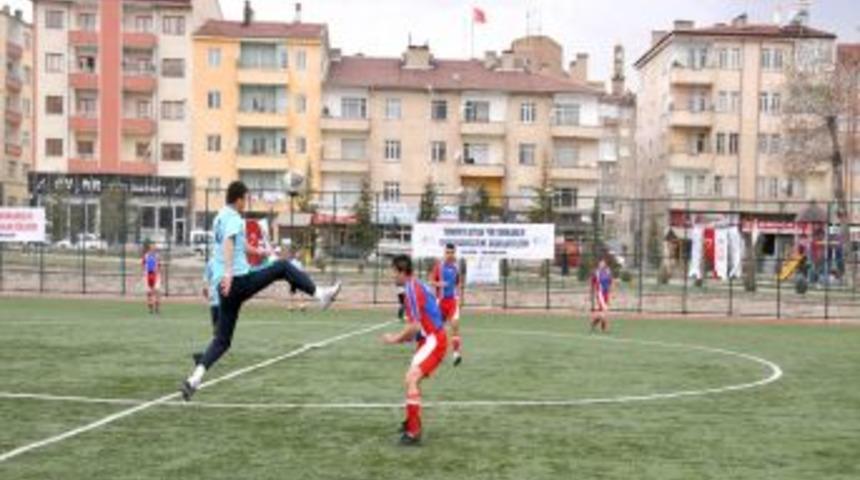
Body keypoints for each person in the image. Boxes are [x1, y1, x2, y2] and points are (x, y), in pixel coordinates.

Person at [180, 181, 342, 401]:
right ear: (238, 199)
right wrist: (229, 272)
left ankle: (194, 380)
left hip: (224, 287)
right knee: (283, 267)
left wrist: (260, 250)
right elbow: (228, 243)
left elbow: (239, 244)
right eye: (245, 199)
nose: (246, 203)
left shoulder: (220, 217)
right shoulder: (235, 218)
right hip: (236, 281)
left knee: (222, 341)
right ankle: (320, 295)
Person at [382, 255, 448, 446]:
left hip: (433, 340)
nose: (391, 275)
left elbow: (415, 327)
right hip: (429, 339)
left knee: (411, 378)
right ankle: (412, 421)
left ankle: (413, 432)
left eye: (393, 271)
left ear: (401, 271)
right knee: (412, 378)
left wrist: (394, 338)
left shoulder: (411, 289)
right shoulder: (415, 284)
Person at [430, 243, 464, 366]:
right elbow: (432, 282)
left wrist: (460, 298)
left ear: (454, 253)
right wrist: (440, 284)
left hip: (453, 301)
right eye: (448, 252)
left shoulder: (456, 268)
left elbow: (458, 284)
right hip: (441, 302)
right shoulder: (438, 267)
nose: (450, 255)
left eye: (452, 252)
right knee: (437, 329)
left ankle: (456, 355)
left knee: (455, 327)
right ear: (444, 253)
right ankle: (434, 352)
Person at [590, 258, 613, 333]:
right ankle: (604, 328)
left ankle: (594, 323)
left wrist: (610, 293)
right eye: (601, 263)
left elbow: (610, 282)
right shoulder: (596, 272)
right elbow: (592, 282)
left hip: (606, 293)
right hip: (600, 293)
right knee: (605, 310)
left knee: (602, 311)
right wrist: (592, 292)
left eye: (603, 263)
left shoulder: (608, 271)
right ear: (599, 264)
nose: (602, 264)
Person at [141, 242, 160, 314]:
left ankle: (157, 308)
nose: (153, 248)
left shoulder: (157, 256)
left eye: (154, 247)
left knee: (157, 291)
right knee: (149, 293)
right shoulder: (146, 256)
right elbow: (143, 265)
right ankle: (150, 309)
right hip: (148, 275)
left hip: (156, 275)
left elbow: (158, 266)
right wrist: (143, 273)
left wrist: (158, 272)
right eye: (152, 247)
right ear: (149, 248)